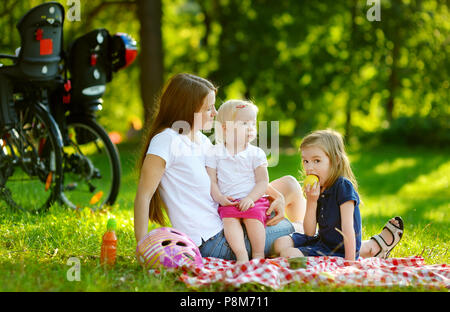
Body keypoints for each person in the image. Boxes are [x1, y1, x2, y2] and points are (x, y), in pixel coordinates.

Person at [134, 72, 404, 261]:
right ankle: (363, 247)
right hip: (218, 239)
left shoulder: (200, 141)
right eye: (208, 109)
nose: (214, 115)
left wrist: (273, 198)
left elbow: (233, 176)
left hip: (231, 213)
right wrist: (142, 247)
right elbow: (144, 195)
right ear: (186, 109)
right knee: (290, 234)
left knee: (287, 183)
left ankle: (308, 233)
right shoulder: (167, 141)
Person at [274, 130, 404, 260]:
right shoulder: (318, 187)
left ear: (335, 160)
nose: (309, 168)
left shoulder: (343, 187)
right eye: (305, 161)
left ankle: (367, 250)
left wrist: (350, 262)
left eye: (317, 161)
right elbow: (309, 232)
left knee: (288, 254)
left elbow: (348, 228)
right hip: (322, 242)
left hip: (338, 250)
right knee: (279, 244)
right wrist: (311, 201)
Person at [206, 99, 284, 263]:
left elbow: (263, 182)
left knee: (255, 219)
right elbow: (211, 181)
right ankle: (241, 255)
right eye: (244, 123)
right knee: (229, 221)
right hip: (229, 202)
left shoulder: (256, 153)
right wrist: (220, 198)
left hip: (253, 199)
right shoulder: (215, 153)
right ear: (226, 128)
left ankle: (257, 255)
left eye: (253, 123)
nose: (250, 128)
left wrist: (250, 198)